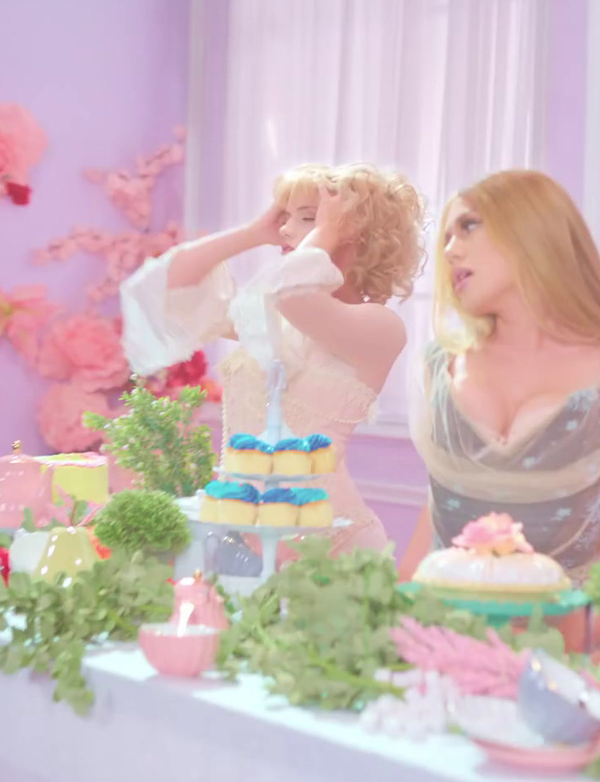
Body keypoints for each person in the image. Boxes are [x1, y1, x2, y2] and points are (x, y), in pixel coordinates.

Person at [399, 169, 600, 649]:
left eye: (468, 226)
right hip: (437, 652)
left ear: (532, 228)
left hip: (563, 661)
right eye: (445, 237)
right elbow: (432, 539)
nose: (449, 251)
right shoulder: (436, 370)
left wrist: (564, 669)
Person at [121, 162, 427, 555]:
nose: (284, 229)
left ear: (355, 232)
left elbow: (294, 293)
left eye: (306, 218)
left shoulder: (380, 327)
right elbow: (166, 288)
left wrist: (328, 230)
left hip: (329, 541)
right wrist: (252, 233)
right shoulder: (269, 318)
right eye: (284, 217)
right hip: (238, 534)